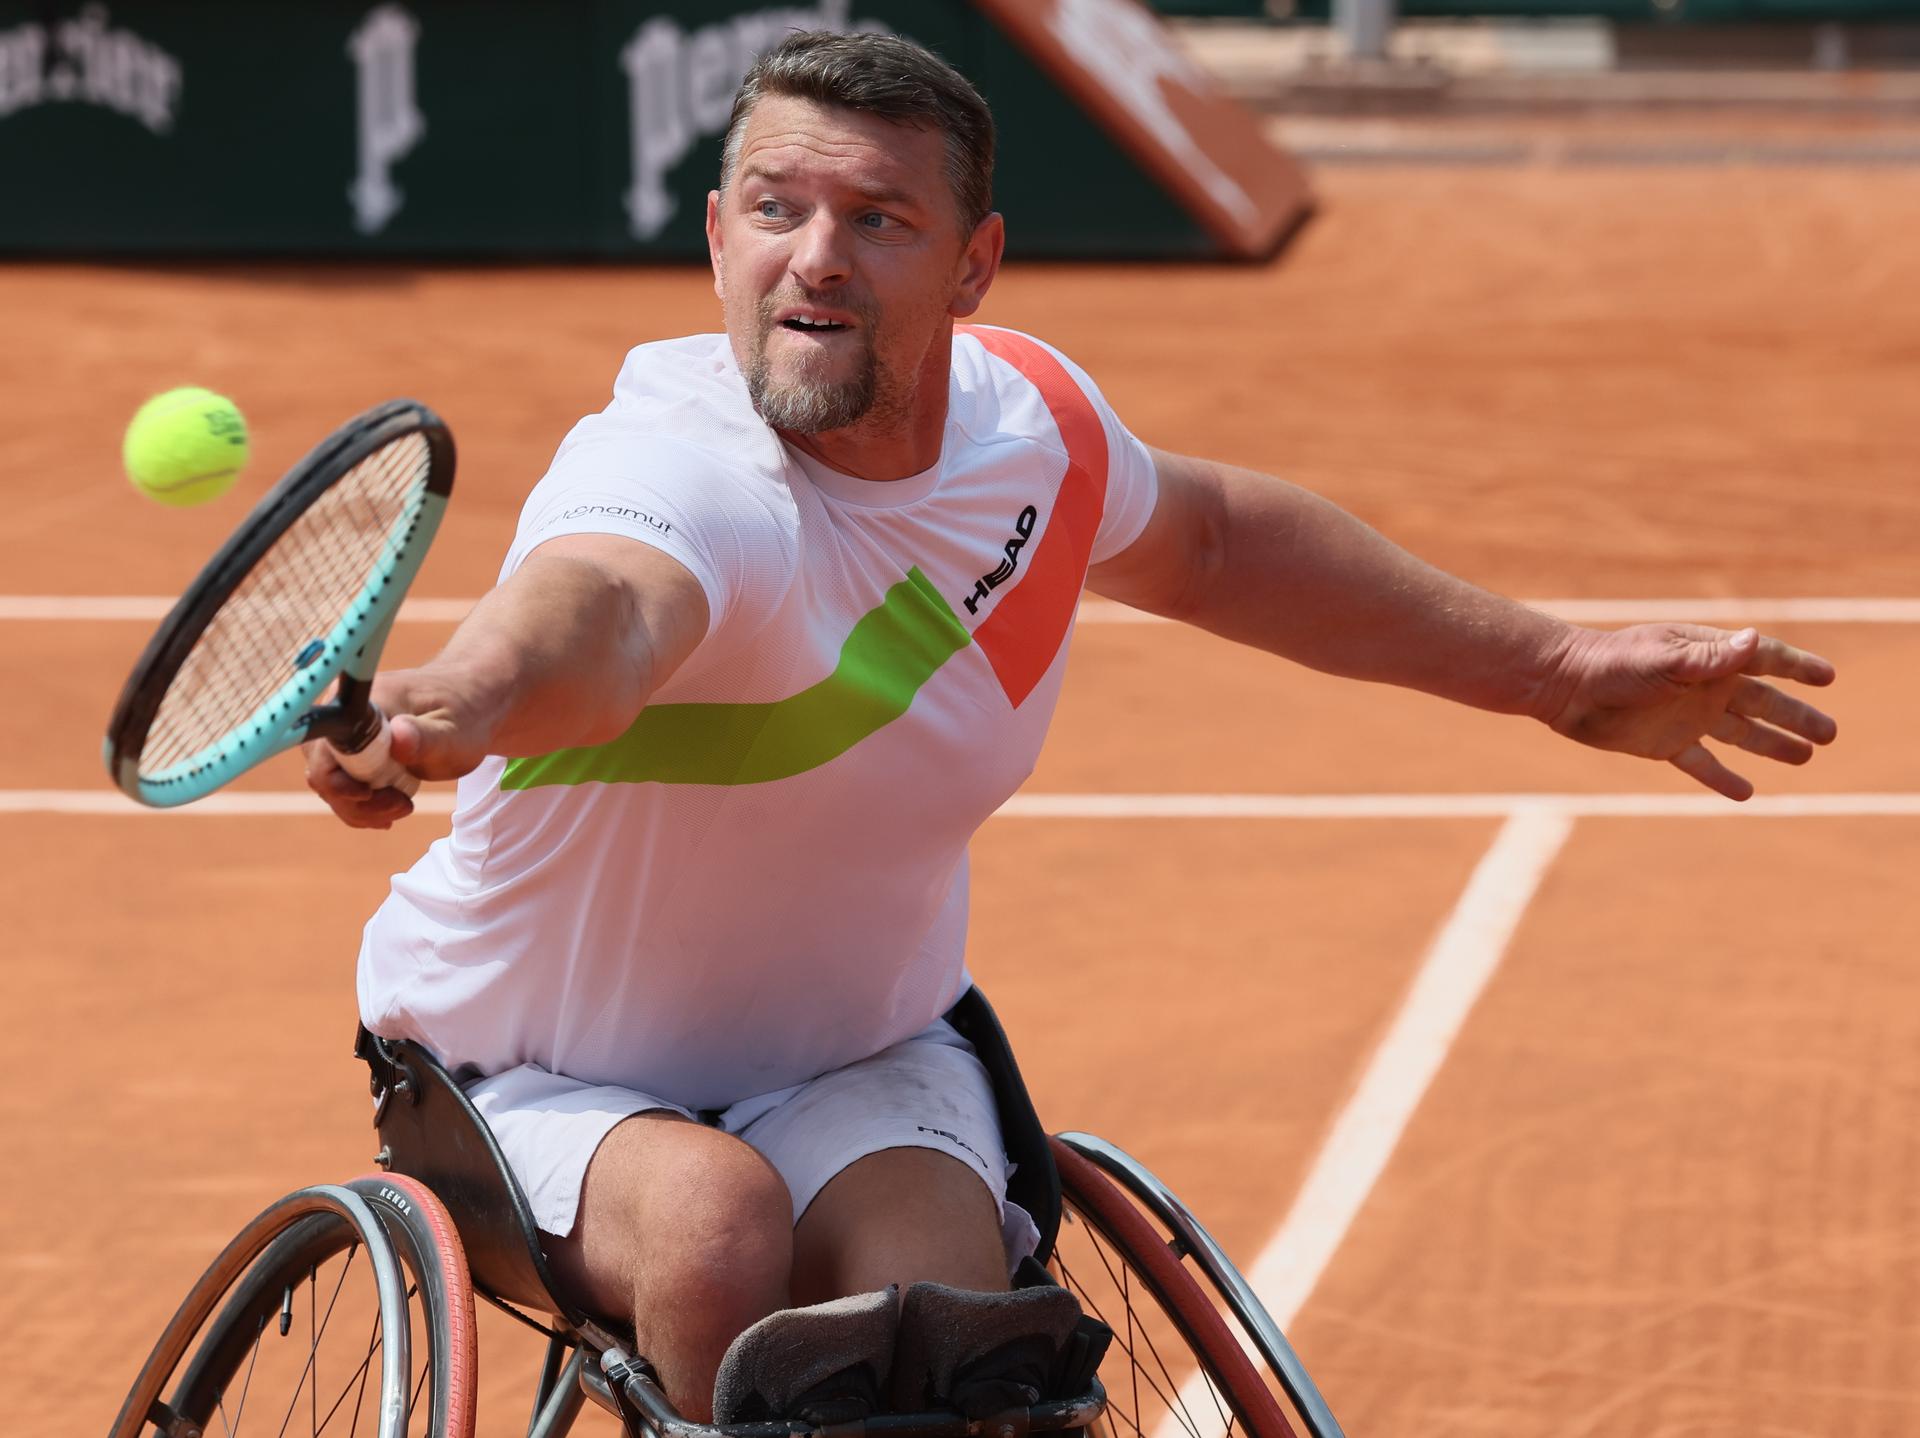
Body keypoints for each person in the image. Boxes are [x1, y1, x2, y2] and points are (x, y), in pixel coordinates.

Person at [307, 29, 1836, 1420]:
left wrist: (1552, 666)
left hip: (849, 1056)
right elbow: (603, 612)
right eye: (774, 210)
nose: (814, 261)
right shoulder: (681, 468)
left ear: (974, 268)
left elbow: (1222, 541)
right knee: (718, 1227)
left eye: (877, 221)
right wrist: (452, 699)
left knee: (959, 1318)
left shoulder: (1028, 434)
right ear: (716, 234)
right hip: (529, 1074)